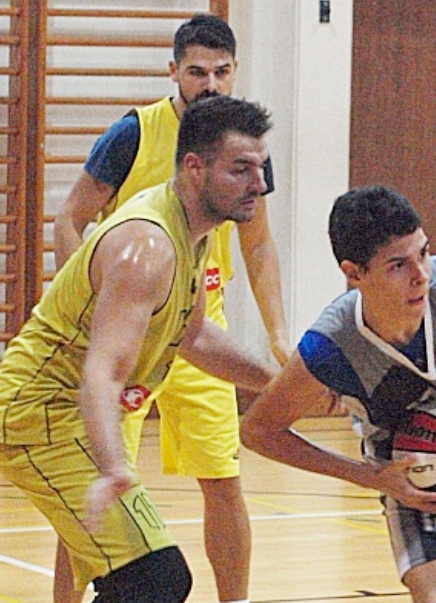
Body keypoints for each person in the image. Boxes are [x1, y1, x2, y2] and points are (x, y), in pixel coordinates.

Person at [0, 96, 277, 602]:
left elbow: (195, 336)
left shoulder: (195, 230)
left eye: (261, 168)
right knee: (155, 578)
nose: (260, 185)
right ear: (195, 167)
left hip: (65, 413)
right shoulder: (148, 247)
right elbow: (102, 372)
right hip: (37, 418)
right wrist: (114, 465)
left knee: (148, 579)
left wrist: (279, 383)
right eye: (241, 169)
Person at [53, 13, 287, 603]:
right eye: (197, 72)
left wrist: (279, 336)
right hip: (133, 326)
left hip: (201, 323)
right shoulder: (133, 134)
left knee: (223, 477)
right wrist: (86, 309)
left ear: (236, 72)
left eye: (222, 72)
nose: (210, 84)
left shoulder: (243, 148)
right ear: (174, 72)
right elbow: (70, 219)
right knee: (99, 480)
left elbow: (259, 246)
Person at [240, 185, 436, 603]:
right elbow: (258, 431)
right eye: (398, 265)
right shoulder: (333, 347)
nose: (421, 274)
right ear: (354, 273)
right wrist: (367, 475)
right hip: (417, 476)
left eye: (423, 253)